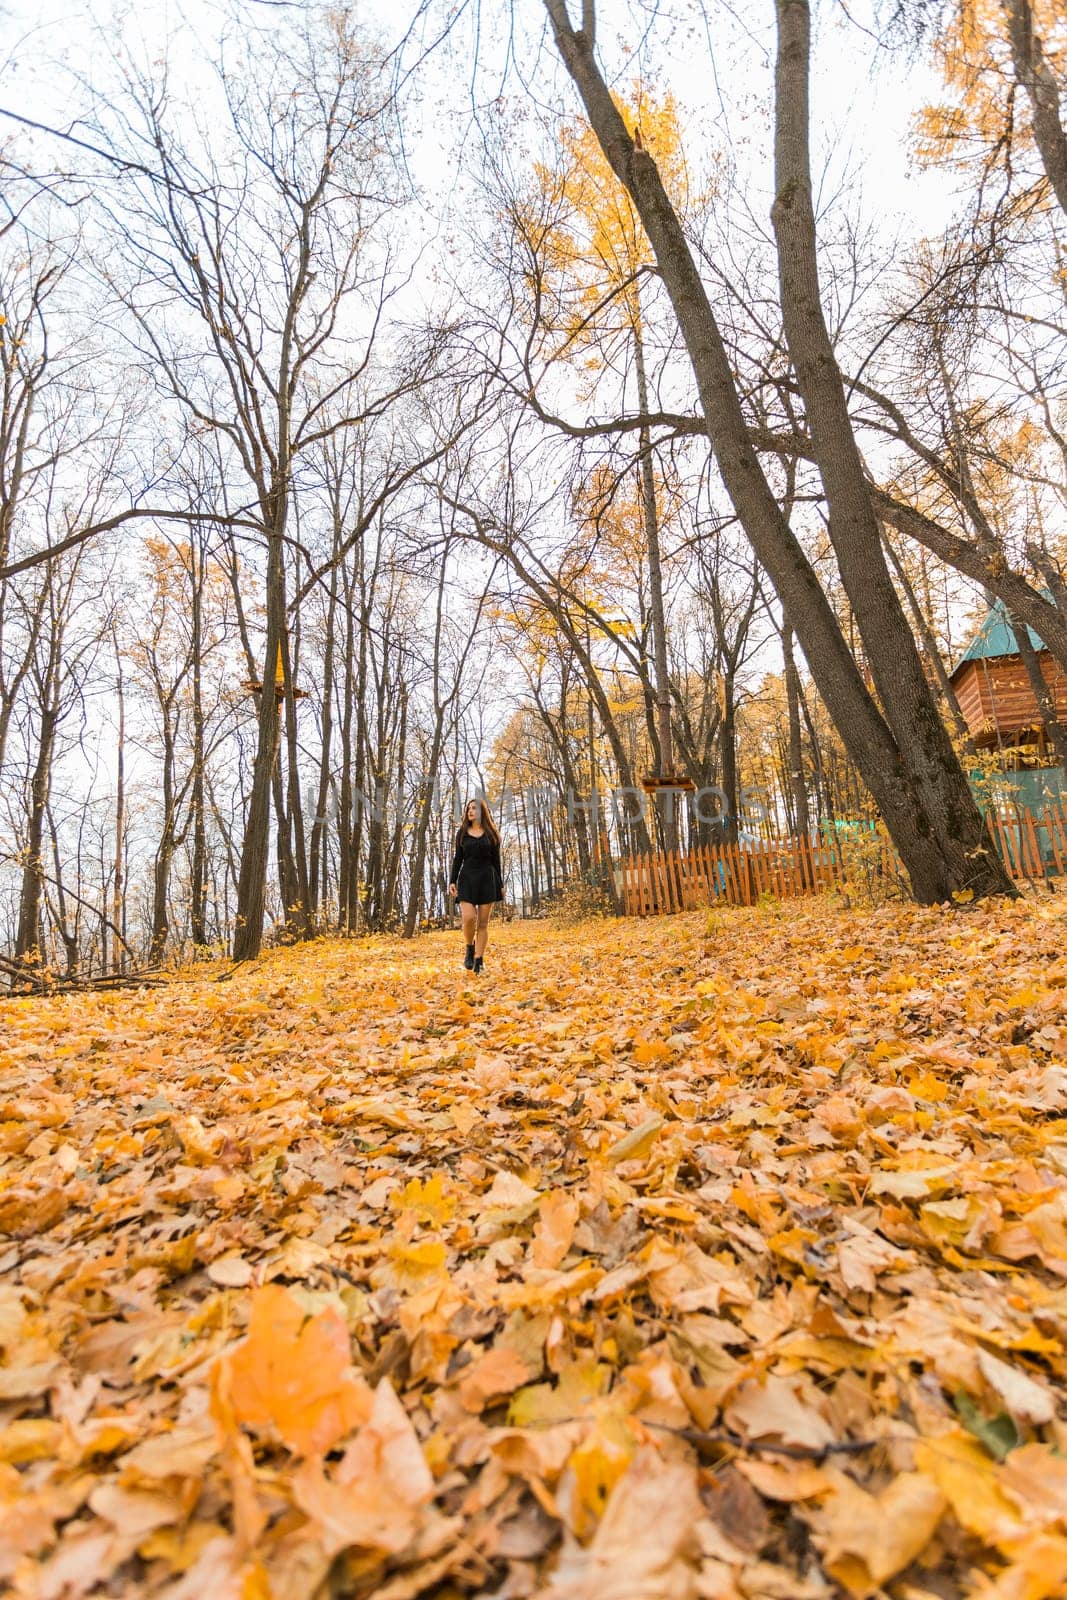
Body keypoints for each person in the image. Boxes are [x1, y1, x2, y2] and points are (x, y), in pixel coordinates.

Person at [448, 798, 504, 974]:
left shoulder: (492, 834)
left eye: (474, 808)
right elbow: (458, 858)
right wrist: (452, 880)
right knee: (469, 917)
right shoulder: (462, 833)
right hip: (467, 879)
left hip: (488, 878)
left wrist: (500, 884)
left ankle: (479, 960)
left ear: (482, 812)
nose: (470, 811)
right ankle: (469, 948)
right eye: (468, 809)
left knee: (483, 924)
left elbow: (496, 861)